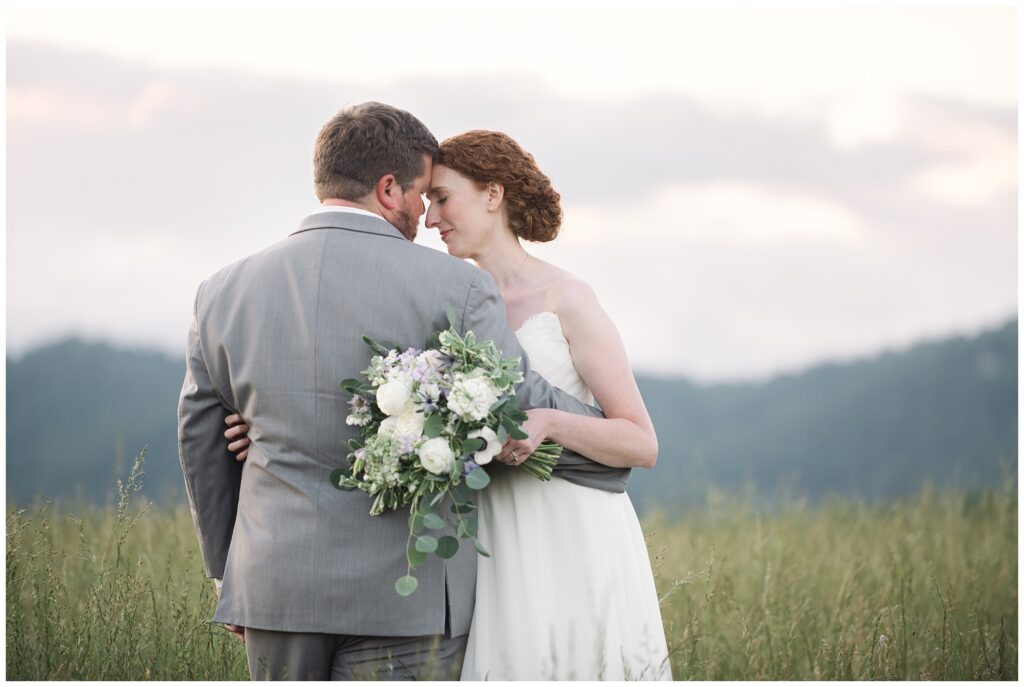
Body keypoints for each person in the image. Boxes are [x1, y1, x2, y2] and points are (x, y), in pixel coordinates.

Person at [178, 102, 626, 681]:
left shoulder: (220, 292)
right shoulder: (455, 286)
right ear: (389, 188)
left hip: (272, 588)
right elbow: (517, 401)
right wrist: (606, 454)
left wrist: (227, 571)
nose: (424, 212)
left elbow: (201, 441)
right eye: (421, 194)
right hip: (405, 598)